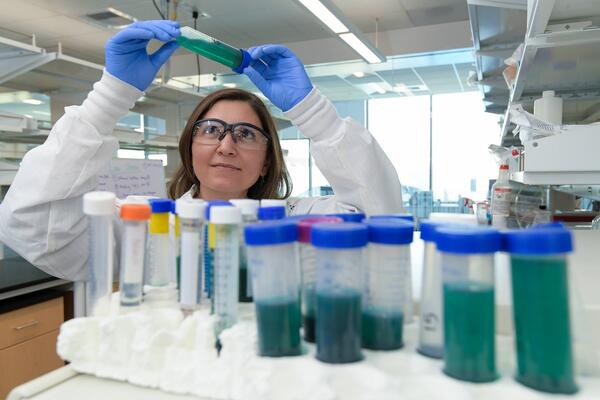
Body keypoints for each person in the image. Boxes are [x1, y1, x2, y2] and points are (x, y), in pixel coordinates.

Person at [0, 20, 402, 281]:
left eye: (245, 134)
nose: (227, 145)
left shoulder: (303, 221)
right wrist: (109, 97)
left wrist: (314, 112)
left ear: (266, 161)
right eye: (211, 130)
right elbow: (33, 228)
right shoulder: (145, 223)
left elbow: (383, 222)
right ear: (190, 147)